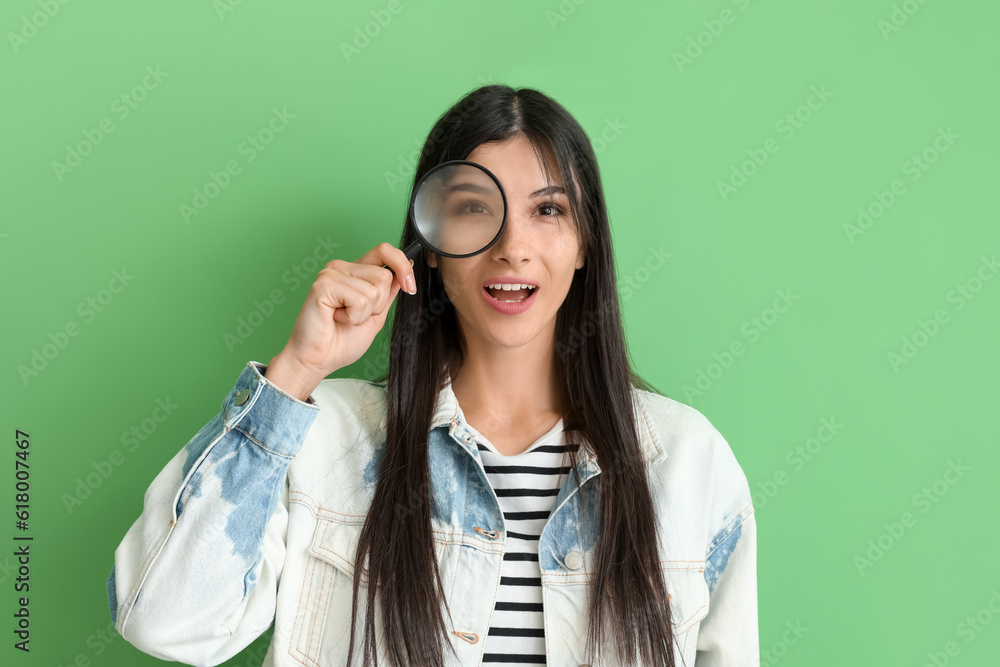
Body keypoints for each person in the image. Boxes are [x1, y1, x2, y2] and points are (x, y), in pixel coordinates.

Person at [107, 84, 757, 667]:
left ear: (586, 243)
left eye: (548, 210)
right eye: (476, 207)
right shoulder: (329, 438)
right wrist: (296, 370)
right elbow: (166, 622)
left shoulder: (685, 460)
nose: (513, 245)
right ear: (432, 243)